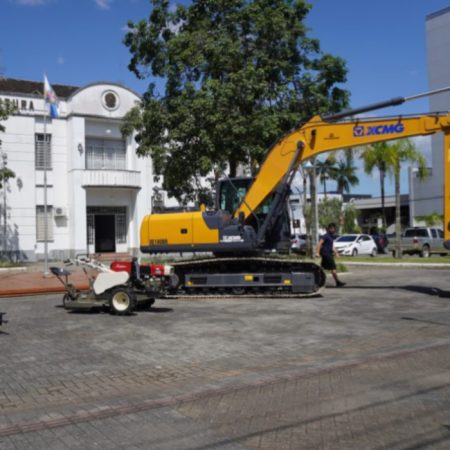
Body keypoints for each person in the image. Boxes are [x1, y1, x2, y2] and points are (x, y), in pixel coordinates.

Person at [315, 223, 346, 287]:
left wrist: (336, 252)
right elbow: (319, 243)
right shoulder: (325, 236)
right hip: (326, 254)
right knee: (333, 268)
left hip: (328, 254)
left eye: (334, 229)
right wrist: (317, 252)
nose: (334, 230)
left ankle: (317, 282)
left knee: (321, 269)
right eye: (333, 228)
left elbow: (332, 247)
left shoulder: (331, 237)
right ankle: (338, 282)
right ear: (329, 229)